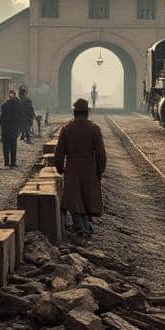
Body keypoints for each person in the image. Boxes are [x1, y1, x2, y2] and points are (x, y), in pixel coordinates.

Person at [54, 98, 106, 237]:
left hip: (72, 169)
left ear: (74, 113)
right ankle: (85, 226)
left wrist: (60, 169)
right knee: (86, 197)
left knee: (75, 198)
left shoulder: (66, 129)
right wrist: (99, 170)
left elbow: (59, 153)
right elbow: (101, 154)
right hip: (89, 169)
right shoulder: (94, 129)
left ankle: (80, 227)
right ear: (87, 112)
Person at [0, 89, 22, 167]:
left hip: (5, 128)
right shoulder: (17, 105)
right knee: (13, 146)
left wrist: (1, 124)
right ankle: (13, 162)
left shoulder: (4, 105)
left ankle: (6, 162)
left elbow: (1, 118)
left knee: (6, 146)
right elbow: (20, 117)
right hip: (14, 128)